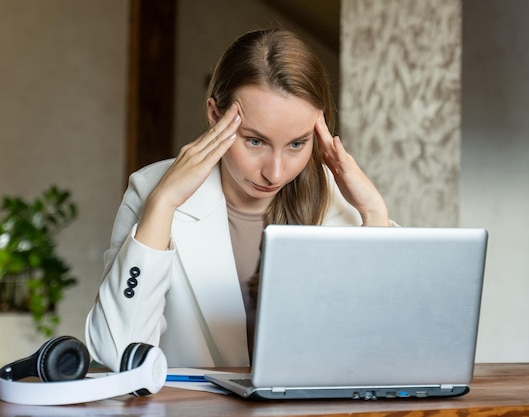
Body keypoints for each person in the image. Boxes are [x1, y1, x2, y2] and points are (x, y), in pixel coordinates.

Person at [85, 27, 393, 371]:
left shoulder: (334, 200)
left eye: (296, 144)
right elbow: (116, 352)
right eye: (255, 141)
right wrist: (164, 203)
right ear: (215, 116)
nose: (275, 173)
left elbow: (382, 346)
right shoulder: (151, 189)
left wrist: (373, 212)